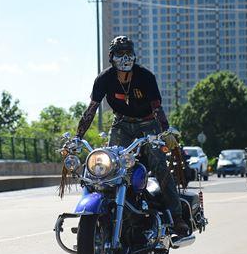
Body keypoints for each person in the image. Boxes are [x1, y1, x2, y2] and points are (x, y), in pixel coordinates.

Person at [75, 35, 189, 236]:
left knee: (159, 164)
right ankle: (102, 216)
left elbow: (157, 108)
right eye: (120, 53)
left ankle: (177, 216)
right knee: (110, 168)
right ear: (111, 57)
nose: (125, 58)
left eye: (129, 53)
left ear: (134, 56)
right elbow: (91, 109)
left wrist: (165, 132)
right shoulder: (104, 79)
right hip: (121, 125)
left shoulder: (146, 77)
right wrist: (77, 137)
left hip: (148, 124)